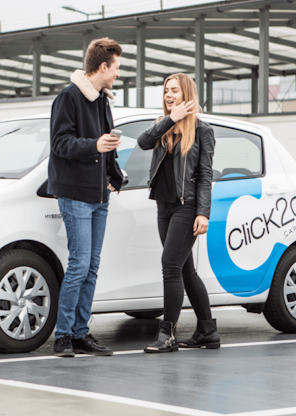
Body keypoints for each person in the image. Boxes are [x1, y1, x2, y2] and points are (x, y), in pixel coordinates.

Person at [48, 37, 123, 357]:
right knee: (79, 265)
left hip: (98, 194)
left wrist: (114, 178)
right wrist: (95, 145)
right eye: (116, 67)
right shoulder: (68, 98)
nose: (118, 73)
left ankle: (80, 333)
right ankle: (63, 335)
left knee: (91, 267)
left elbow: (107, 147)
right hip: (75, 194)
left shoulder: (103, 100)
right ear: (103, 66)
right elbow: (59, 144)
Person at [137, 73, 220, 353]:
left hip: (187, 206)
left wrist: (203, 213)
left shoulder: (202, 130)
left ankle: (167, 334)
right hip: (164, 206)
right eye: (165, 91)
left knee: (170, 265)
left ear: (186, 94)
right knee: (186, 270)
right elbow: (143, 142)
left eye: (174, 90)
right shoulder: (162, 126)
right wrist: (170, 119)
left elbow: (206, 175)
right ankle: (207, 330)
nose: (168, 95)